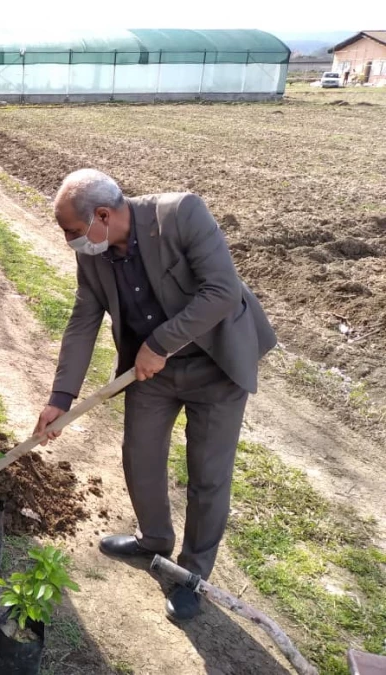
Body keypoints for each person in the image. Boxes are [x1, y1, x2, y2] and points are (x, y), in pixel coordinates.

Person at [34, 169, 276, 621]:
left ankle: (192, 577)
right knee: (139, 456)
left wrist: (160, 344)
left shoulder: (181, 214)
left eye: (72, 231)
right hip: (152, 376)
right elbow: (83, 320)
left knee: (207, 475)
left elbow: (222, 290)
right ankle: (155, 540)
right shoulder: (94, 253)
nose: (70, 241)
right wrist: (61, 398)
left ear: (102, 215)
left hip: (216, 365)